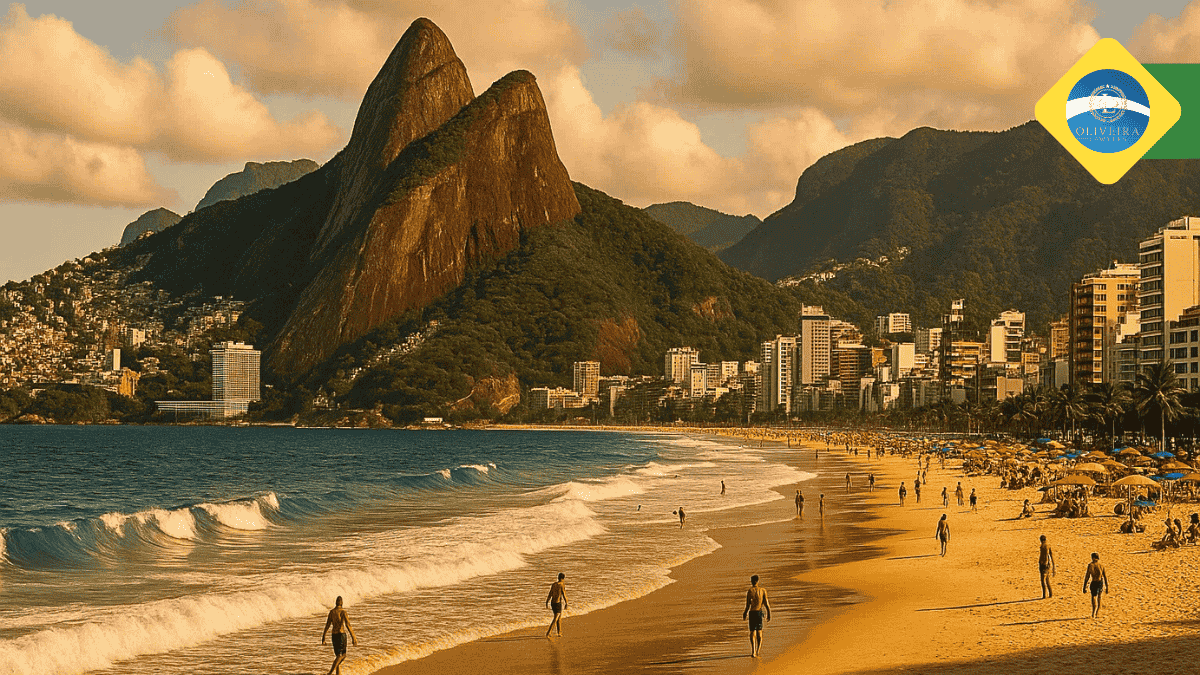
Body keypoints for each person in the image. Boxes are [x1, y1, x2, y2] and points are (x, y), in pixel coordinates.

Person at [321, 596, 358, 675]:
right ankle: (330, 673)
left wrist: (323, 637)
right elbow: (348, 625)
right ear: (342, 603)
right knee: (342, 655)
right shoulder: (343, 612)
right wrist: (353, 637)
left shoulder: (331, 612)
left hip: (334, 636)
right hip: (341, 635)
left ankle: (338, 674)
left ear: (336, 602)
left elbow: (327, 625)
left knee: (338, 656)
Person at [742, 574, 771, 657]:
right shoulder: (763, 590)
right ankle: (758, 650)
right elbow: (766, 603)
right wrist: (769, 613)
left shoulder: (750, 591)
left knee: (752, 632)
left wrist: (745, 613)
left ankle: (753, 651)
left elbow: (747, 605)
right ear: (757, 581)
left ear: (752, 581)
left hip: (752, 613)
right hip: (759, 612)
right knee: (759, 632)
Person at [1082, 552, 1108, 618]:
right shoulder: (1101, 565)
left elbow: (1087, 576)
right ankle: (1097, 612)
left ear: (1093, 558)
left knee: (1093, 597)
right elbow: (1105, 576)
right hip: (1100, 582)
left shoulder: (1091, 565)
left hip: (1094, 582)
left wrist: (1084, 586)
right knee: (1099, 597)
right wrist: (1107, 587)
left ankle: (1093, 612)